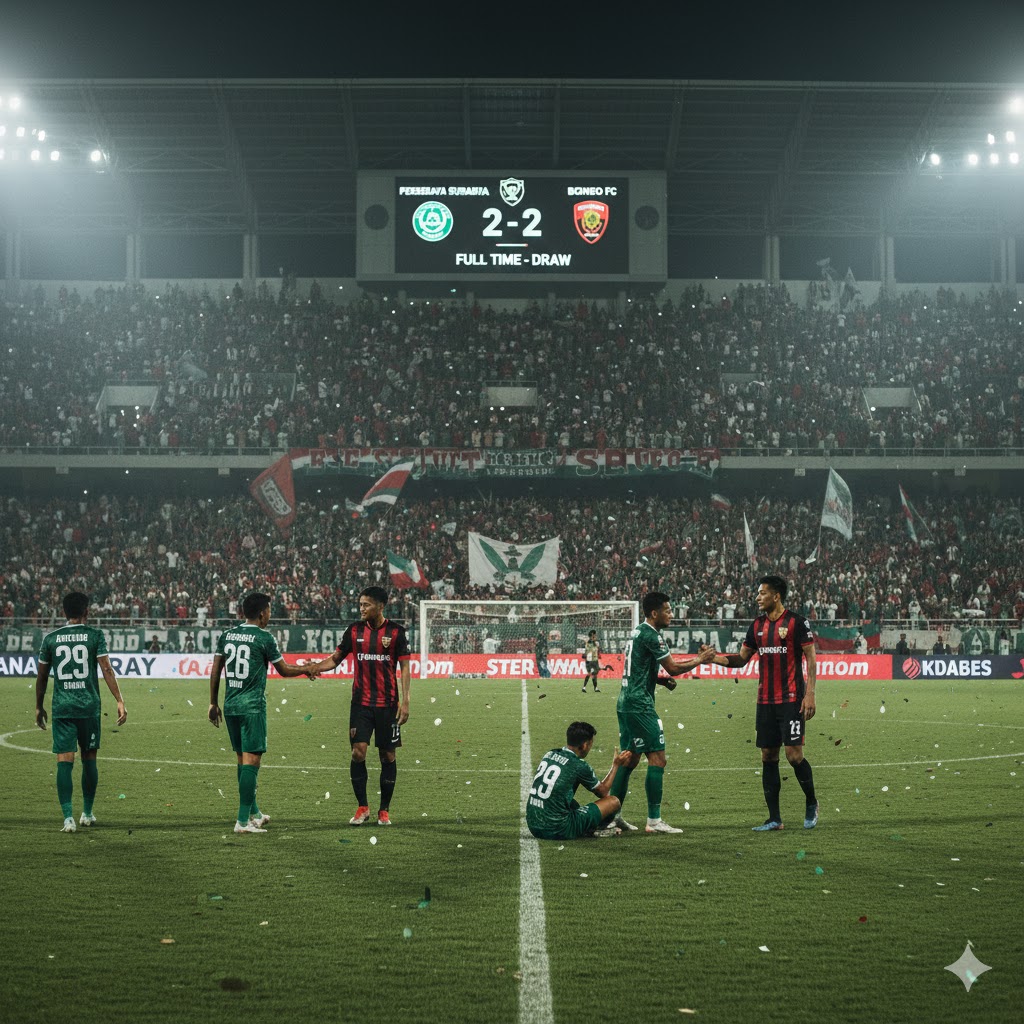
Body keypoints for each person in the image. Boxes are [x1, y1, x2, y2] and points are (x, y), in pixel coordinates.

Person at [708, 575, 819, 831]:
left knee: (794, 756)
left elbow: (811, 659)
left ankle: (812, 802)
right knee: (768, 756)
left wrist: (810, 693)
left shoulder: (796, 622)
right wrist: (713, 658)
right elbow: (740, 659)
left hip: (791, 699)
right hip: (765, 701)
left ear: (776, 596)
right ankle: (774, 818)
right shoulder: (756, 625)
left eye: (762, 593)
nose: (757, 597)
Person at [208, 592, 314, 834]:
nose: (270, 614)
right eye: (269, 610)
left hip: (231, 705)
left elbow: (215, 671)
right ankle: (242, 822)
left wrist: (213, 703)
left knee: (241, 761)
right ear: (262, 613)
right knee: (252, 762)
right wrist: (306, 668)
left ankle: (254, 813)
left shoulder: (227, 635)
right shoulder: (264, 638)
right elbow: (284, 670)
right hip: (252, 707)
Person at [307, 586, 411, 827]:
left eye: (366, 605)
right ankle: (363, 806)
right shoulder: (354, 631)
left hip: (388, 705)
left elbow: (404, 668)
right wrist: (313, 668)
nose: (361, 608)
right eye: (360, 604)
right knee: (358, 752)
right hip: (361, 704)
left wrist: (406, 701)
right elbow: (335, 659)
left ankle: (384, 810)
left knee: (387, 755)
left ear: (380, 606)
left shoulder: (396, 633)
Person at [612, 592, 715, 834]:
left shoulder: (637, 632)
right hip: (640, 706)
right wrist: (700, 659)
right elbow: (674, 666)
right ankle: (654, 821)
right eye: (668, 610)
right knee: (657, 759)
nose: (671, 614)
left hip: (625, 701)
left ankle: (612, 815)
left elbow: (638, 668)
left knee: (630, 759)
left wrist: (659, 680)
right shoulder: (651, 634)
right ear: (655, 613)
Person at [35, 591, 128, 833]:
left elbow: (42, 676)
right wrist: (119, 700)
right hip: (88, 707)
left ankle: (68, 818)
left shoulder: (51, 639)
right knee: (89, 759)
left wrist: (38, 706)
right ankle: (87, 812)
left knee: (64, 762)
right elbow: (107, 669)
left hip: (63, 709)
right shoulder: (94, 636)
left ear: (64, 612)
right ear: (86, 611)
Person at [526, 722, 633, 840]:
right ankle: (601, 827)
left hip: (533, 825)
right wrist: (616, 765)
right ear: (584, 746)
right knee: (614, 801)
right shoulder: (578, 765)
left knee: (571, 803)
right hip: (558, 829)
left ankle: (585, 826)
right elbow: (603, 792)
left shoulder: (550, 754)